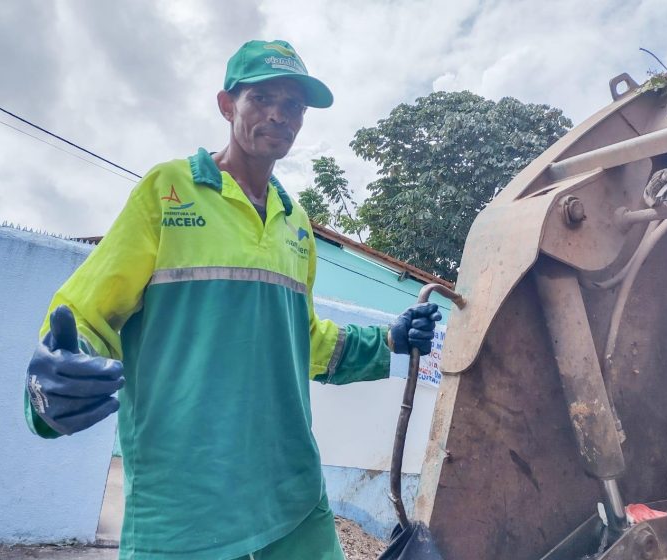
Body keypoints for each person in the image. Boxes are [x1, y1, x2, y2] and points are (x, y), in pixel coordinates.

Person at [25, 39, 440, 560]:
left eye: (293, 105)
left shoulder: (297, 224)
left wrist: (388, 340)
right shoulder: (167, 191)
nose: (278, 114)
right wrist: (55, 373)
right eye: (262, 97)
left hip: (290, 488)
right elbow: (87, 315)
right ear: (227, 105)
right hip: (185, 497)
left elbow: (303, 340)